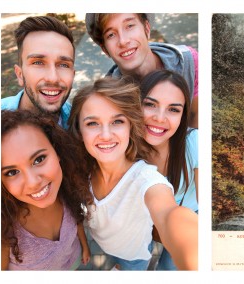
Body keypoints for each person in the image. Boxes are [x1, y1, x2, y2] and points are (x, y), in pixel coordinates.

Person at [68, 77, 198, 270]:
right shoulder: (82, 169)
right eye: (93, 123)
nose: (105, 135)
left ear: (131, 126)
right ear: (79, 130)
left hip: (135, 257)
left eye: (117, 121)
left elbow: (168, 213)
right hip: (108, 247)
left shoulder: (147, 179)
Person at [1, 109, 93, 270]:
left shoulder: (67, 190)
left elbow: (77, 220)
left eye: (39, 159)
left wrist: (84, 246)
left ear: (56, 152)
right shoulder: (3, 231)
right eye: (12, 172)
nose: (32, 182)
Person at [85, 13, 198, 128]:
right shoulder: (108, 97)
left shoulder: (189, 62)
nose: (123, 41)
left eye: (129, 26)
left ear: (146, 29)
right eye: (111, 35)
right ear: (105, 49)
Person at [140, 70, 198, 270]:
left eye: (173, 109)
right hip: (143, 225)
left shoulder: (194, 142)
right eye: (150, 104)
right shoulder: (123, 147)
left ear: (183, 115)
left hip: (188, 221)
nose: (159, 118)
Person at [1, 16, 75, 129]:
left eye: (64, 65)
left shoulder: (80, 125)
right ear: (20, 74)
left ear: (73, 75)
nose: (53, 78)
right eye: (38, 63)